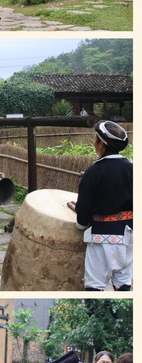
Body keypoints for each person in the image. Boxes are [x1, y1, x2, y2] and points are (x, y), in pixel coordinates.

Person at [71, 120, 133, 291]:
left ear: (101, 144)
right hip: (128, 234)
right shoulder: (132, 169)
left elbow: (83, 207)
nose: (94, 142)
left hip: (101, 237)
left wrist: (81, 223)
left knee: (95, 285)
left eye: (95, 139)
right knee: (124, 283)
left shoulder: (94, 172)